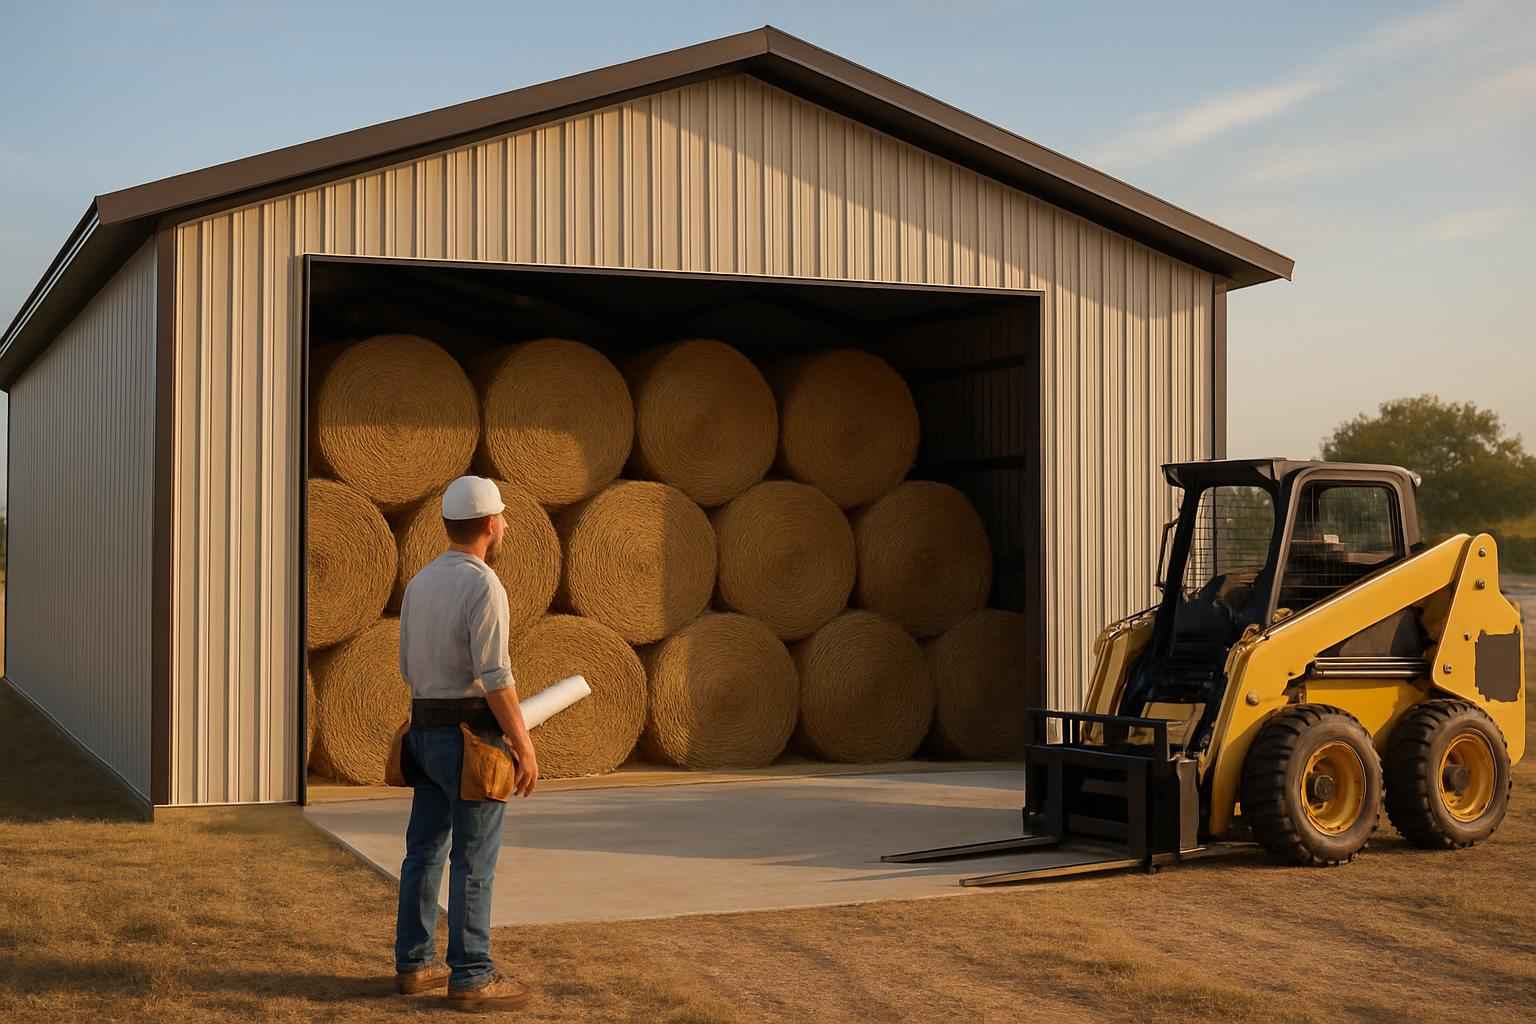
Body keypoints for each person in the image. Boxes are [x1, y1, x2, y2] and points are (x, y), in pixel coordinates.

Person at [392, 475, 540, 1012]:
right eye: (503, 518)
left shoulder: (419, 583)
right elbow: (495, 676)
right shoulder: (484, 586)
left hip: (423, 734)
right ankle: (473, 975)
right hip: (471, 741)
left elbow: (406, 667)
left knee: (423, 853)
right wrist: (523, 745)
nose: (505, 526)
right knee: (474, 861)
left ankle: (414, 964)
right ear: (491, 524)